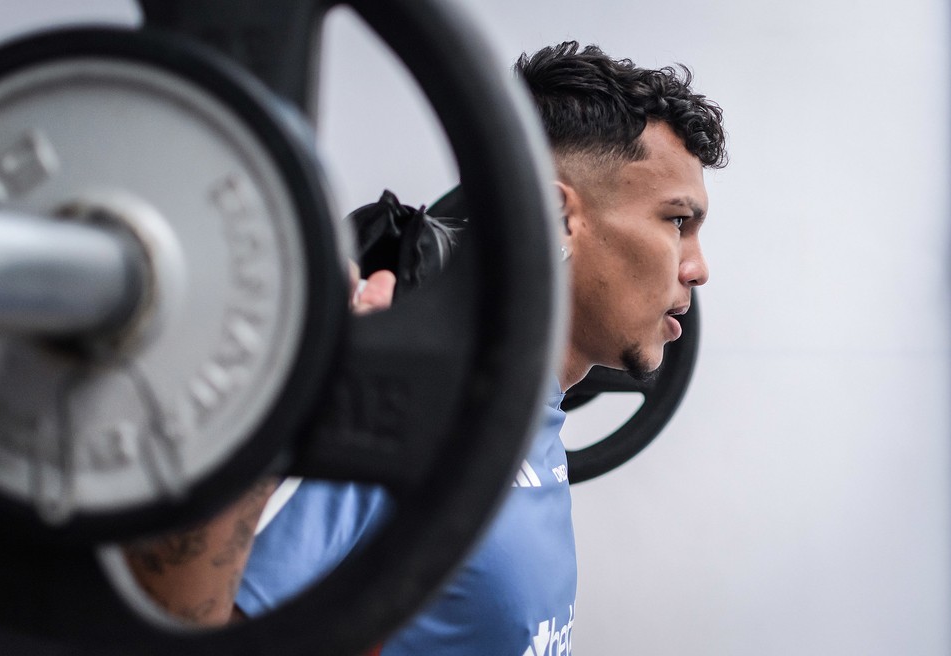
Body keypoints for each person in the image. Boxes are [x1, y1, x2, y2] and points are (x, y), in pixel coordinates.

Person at [124, 40, 727, 654]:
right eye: (678, 222)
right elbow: (186, 631)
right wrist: (302, 410)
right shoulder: (402, 420)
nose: (698, 268)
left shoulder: (532, 419)